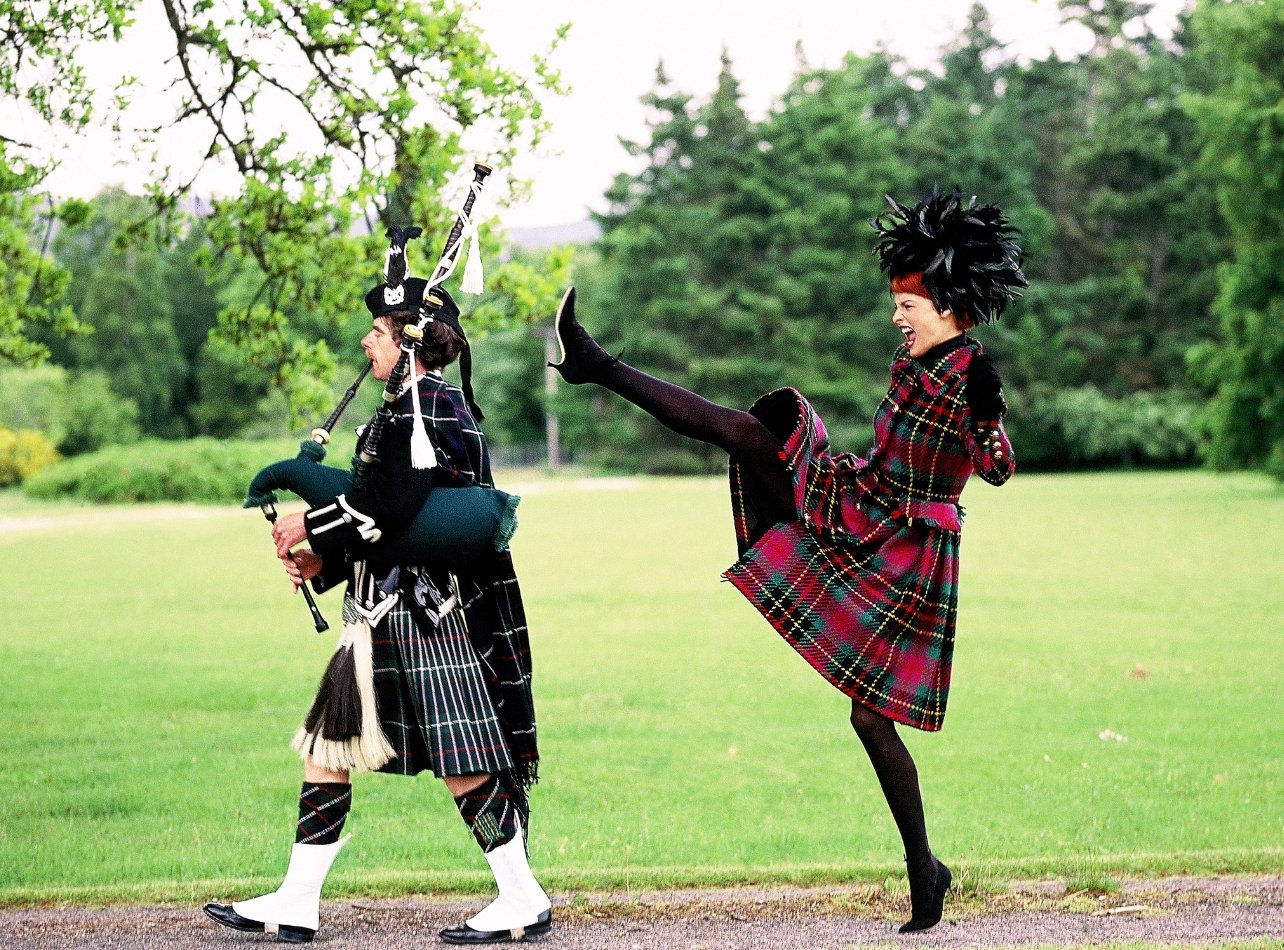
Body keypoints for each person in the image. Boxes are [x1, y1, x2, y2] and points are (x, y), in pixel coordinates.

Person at [549, 187, 1024, 933]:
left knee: (871, 719)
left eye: (908, 303)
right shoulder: (914, 362)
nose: (897, 316)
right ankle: (595, 362)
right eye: (897, 301)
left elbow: (996, 469)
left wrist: (990, 414)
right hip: (862, 503)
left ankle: (924, 869)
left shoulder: (969, 375)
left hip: (912, 550)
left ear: (949, 304)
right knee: (747, 432)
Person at [203, 229, 551, 945]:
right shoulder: (404, 410)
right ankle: (296, 901)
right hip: (380, 610)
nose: (367, 341)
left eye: (377, 330)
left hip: (425, 616)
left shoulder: (432, 412)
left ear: (409, 338)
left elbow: (391, 511)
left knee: (465, 763)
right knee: (327, 748)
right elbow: (382, 512)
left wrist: (309, 524)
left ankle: (522, 897)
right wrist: (322, 564)